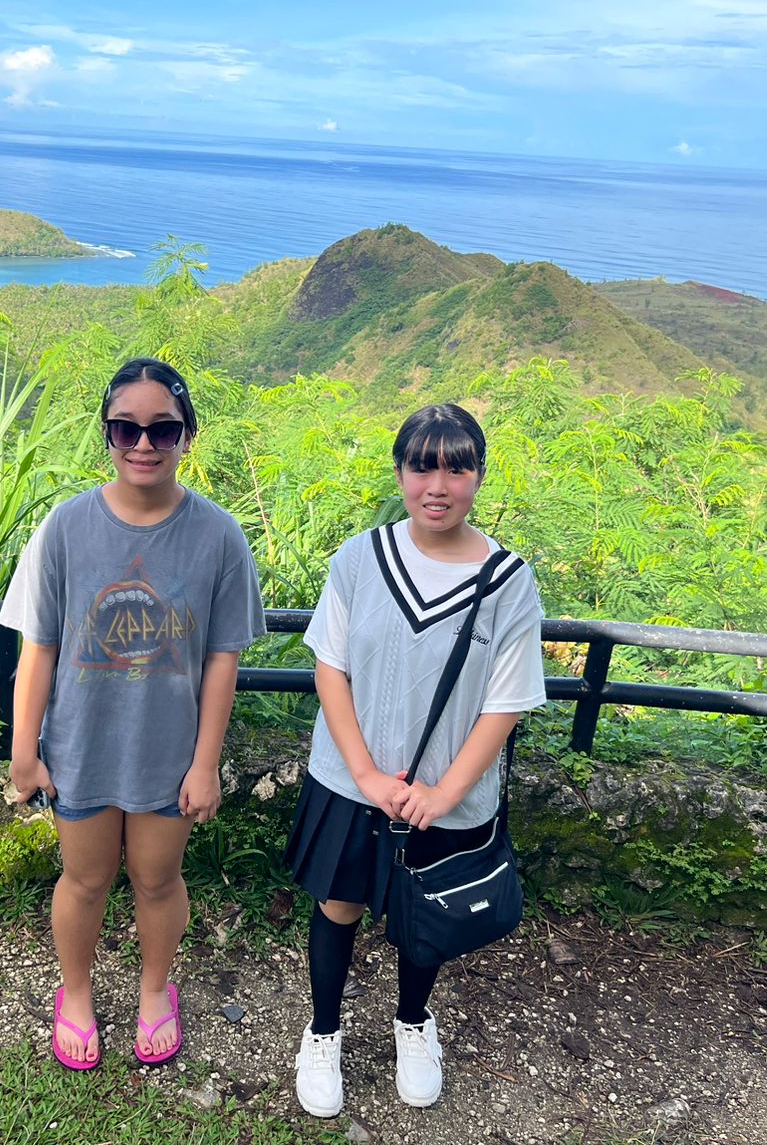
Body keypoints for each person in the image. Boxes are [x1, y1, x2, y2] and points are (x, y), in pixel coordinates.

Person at [0, 357, 265, 1071]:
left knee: (157, 879)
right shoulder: (64, 528)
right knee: (84, 880)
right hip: (81, 745)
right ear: (107, 434)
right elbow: (39, 648)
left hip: (168, 751)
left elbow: (223, 659)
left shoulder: (219, 536)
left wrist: (206, 764)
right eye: (126, 429)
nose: (144, 444)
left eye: (162, 429)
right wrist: (25, 750)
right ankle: (76, 993)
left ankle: (154, 990)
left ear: (187, 437)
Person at [285, 402, 546, 1115]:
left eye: (456, 469)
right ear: (399, 473)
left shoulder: (507, 581)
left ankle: (412, 1022)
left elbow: (506, 702)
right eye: (422, 467)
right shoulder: (359, 559)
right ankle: (324, 1031)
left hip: (446, 791)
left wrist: (443, 793)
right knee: (338, 904)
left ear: (479, 476)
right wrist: (368, 774)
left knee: (427, 910)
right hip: (352, 780)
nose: (438, 485)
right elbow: (330, 669)